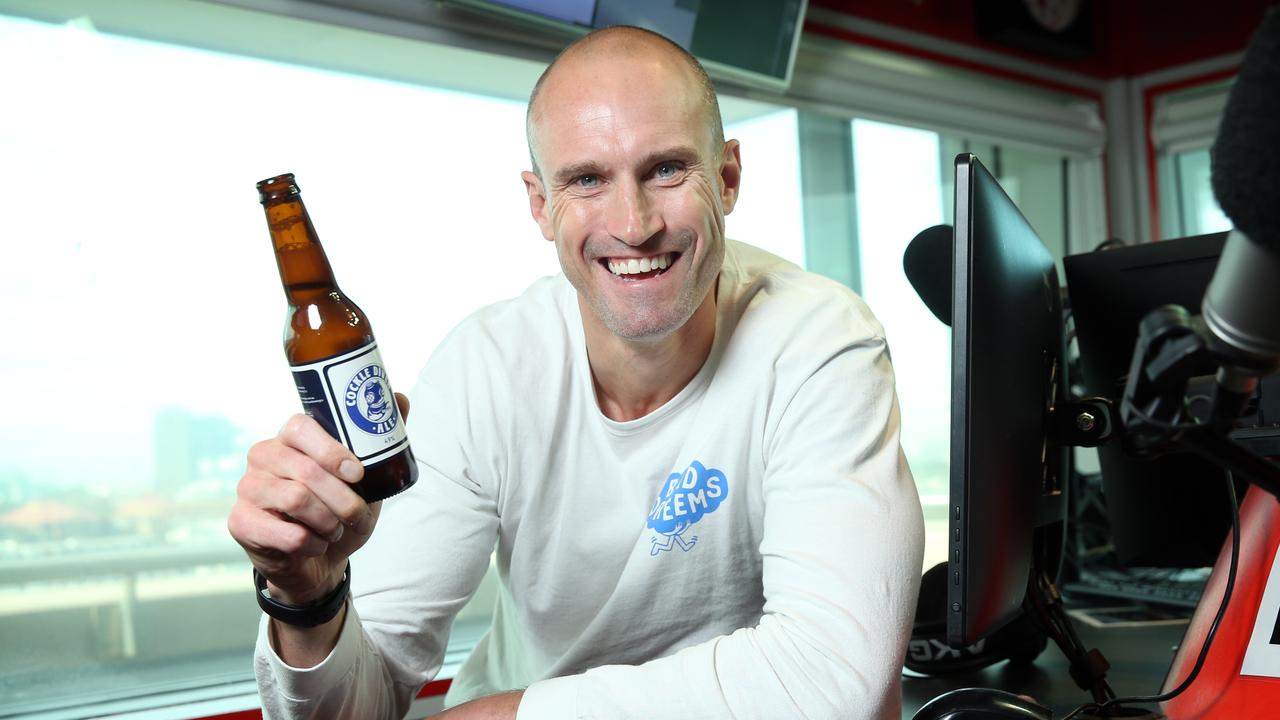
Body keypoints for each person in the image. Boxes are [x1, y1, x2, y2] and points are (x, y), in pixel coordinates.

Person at [229, 24, 925, 720]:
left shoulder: (819, 339)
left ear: (729, 178)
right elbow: (353, 711)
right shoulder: (487, 369)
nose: (634, 223)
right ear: (539, 204)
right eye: (588, 179)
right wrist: (309, 599)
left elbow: (834, 682)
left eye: (666, 169)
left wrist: (499, 717)